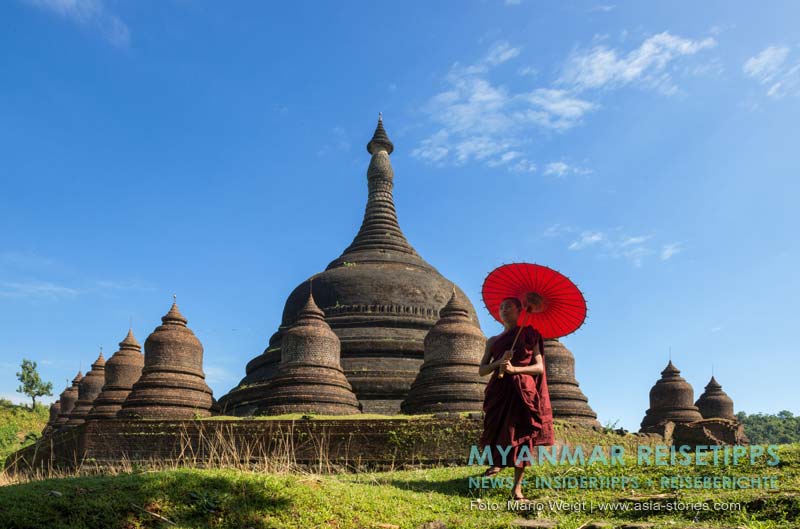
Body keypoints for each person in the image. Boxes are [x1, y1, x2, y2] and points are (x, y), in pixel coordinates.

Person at [477, 294, 554, 502]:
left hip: (523, 391)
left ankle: (517, 489)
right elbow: (482, 370)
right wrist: (499, 362)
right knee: (499, 430)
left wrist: (515, 369)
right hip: (499, 391)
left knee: (521, 437)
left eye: (509, 306)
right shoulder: (493, 341)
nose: (504, 309)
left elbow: (538, 368)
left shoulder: (530, 334)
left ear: (520, 310)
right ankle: (498, 463)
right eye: (501, 307)